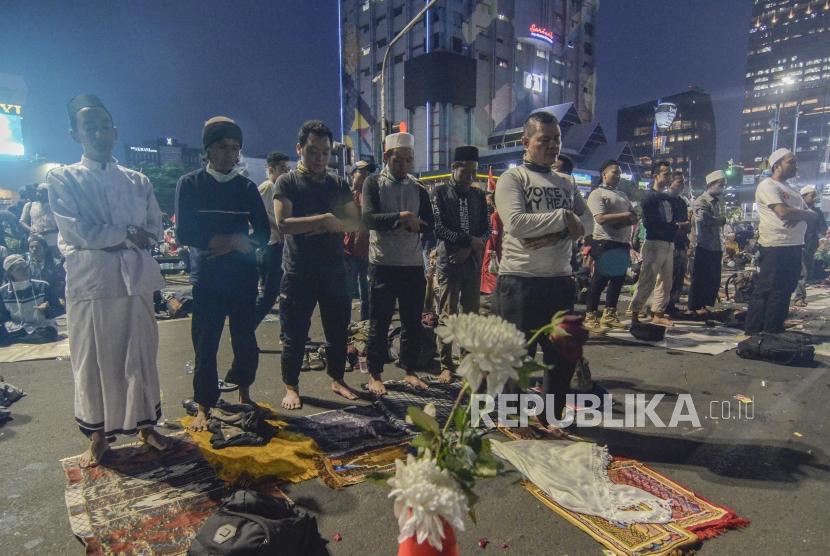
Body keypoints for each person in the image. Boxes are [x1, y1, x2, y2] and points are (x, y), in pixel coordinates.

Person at [48, 94, 168, 466]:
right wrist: (127, 233)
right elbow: (78, 231)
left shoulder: (138, 180)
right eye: (90, 127)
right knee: (94, 359)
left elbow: (154, 228)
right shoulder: (63, 178)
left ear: (115, 132)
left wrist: (125, 234)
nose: (99, 133)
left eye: (105, 126)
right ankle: (98, 435)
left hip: (135, 279)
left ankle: (147, 426)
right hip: (93, 282)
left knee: (140, 355)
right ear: (75, 134)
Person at [175, 116, 271, 430]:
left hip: (243, 278)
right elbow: (184, 232)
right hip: (208, 280)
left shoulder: (246, 187)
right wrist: (230, 241)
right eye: (222, 147)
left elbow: (263, 232)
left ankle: (244, 394)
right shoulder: (190, 184)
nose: (229, 154)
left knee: (244, 339)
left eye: (235, 148)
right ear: (208, 150)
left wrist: (232, 242)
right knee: (205, 343)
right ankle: (204, 404)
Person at [494, 111, 584, 427]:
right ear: (526, 142)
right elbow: (516, 223)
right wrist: (562, 218)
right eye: (544, 139)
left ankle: (550, 416)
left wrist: (555, 233)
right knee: (516, 357)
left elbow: (586, 223)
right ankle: (511, 419)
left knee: (563, 355)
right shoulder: (513, 179)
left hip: (560, 281)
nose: (552, 146)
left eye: (556, 139)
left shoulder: (567, 181)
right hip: (520, 281)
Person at [274, 120, 361, 409]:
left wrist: (332, 224)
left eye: (325, 153)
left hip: (335, 269)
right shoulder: (287, 182)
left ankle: (337, 378)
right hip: (299, 271)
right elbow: (284, 223)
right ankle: (291, 386)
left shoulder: (338, 183)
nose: (319, 159)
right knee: (295, 333)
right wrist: (324, 220)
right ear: (299, 149)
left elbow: (354, 221)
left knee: (338, 330)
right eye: (312, 151)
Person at [362, 132, 435, 395]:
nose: (403, 165)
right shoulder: (373, 183)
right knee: (379, 322)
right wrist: (401, 217)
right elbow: (368, 218)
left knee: (412, 322)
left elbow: (430, 224)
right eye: (397, 160)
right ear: (386, 157)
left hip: (412, 265)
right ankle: (375, 373)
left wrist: (416, 224)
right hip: (383, 263)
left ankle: (410, 371)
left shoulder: (418, 188)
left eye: (408, 160)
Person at [430, 146, 490, 382]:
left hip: (472, 262)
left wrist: (470, 248)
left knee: (471, 315)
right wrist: (467, 243)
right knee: (447, 314)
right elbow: (439, 228)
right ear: (454, 168)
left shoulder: (477, 195)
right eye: (465, 172)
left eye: (473, 172)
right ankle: (446, 364)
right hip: (449, 262)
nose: (470, 177)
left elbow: (486, 229)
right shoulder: (440, 193)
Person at [745, 148, 816, 334]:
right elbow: (783, 213)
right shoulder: (768, 186)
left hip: (794, 245)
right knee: (768, 288)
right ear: (777, 166)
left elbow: (807, 215)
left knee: (785, 289)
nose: (795, 166)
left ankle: (773, 329)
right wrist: (806, 215)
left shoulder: (792, 190)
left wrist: (802, 215)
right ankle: (754, 331)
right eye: (790, 162)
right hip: (775, 245)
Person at [584, 160, 637, 334]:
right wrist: (626, 216)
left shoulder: (622, 194)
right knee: (599, 281)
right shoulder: (597, 194)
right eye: (615, 172)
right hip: (605, 241)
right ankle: (590, 316)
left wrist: (627, 217)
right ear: (604, 174)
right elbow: (600, 218)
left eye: (620, 173)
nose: (618, 176)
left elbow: (633, 215)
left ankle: (609, 314)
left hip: (622, 242)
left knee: (617, 281)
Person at [627, 161, 677, 327]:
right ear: (655, 175)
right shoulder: (649, 196)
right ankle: (635, 313)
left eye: (670, 174)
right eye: (665, 174)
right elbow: (649, 222)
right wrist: (672, 227)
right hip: (654, 241)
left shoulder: (667, 198)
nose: (669, 177)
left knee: (666, 280)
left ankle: (658, 313)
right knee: (647, 278)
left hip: (669, 242)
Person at [254, 151, 291, 326]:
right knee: (269, 296)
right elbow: (257, 214)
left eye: (287, 168)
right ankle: (246, 330)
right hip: (270, 248)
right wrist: (280, 226)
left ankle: (287, 331)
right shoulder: (268, 187)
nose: (286, 172)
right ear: (271, 169)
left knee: (284, 292)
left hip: (277, 247)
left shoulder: (277, 187)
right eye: (282, 168)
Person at [688, 171, 726, 314]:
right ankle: (695, 306)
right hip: (703, 245)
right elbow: (706, 221)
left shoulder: (719, 202)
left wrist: (720, 220)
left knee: (713, 279)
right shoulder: (701, 201)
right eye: (720, 185)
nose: (722, 188)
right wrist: (720, 221)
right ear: (711, 185)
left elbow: (721, 219)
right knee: (700, 278)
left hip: (716, 245)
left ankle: (707, 305)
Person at [0, 254, 61, 345]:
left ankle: (18, 339)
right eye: (19, 269)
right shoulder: (3, 292)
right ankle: (22, 338)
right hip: (18, 328)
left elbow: (59, 309)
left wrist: (47, 309)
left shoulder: (43, 286)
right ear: (10, 273)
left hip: (41, 327)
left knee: (48, 333)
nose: (25, 271)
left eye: (26, 267)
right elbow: (3, 317)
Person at [657, 171, 691, 314]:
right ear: (671, 183)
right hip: (667, 242)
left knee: (679, 273)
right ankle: (661, 305)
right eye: (679, 182)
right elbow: (665, 222)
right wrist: (680, 225)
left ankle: (672, 303)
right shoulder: (664, 199)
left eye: (683, 182)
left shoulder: (682, 202)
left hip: (681, 242)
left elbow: (686, 222)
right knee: (666, 276)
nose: (682, 185)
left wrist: (685, 226)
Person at [344, 160, 372, 322]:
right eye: (362, 171)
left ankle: (365, 324)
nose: (366, 175)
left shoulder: (369, 195)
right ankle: (345, 326)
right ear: (352, 173)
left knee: (366, 292)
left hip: (366, 251)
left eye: (368, 172)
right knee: (347, 292)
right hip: (348, 252)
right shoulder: (346, 193)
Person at [792, 184, 827, 306]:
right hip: (797, 244)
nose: (814, 199)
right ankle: (799, 297)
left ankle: (796, 294)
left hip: (811, 244)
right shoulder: (797, 210)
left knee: (804, 271)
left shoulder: (817, 212)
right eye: (812, 196)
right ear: (804, 196)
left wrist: (823, 239)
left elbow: (822, 228)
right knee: (802, 272)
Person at [19, 183, 60, 259]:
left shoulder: (55, 205)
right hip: (35, 241)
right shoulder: (30, 205)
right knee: (36, 261)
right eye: (37, 191)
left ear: (48, 193)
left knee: (56, 262)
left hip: (53, 240)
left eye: (42, 192)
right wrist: (30, 229)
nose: (38, 194)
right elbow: (22, 221)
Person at [25, 234, 66, 301]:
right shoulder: (27, 266)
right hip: (36, 299)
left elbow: (61, 284)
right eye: (31, 247)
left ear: (45, 249)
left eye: (37, 247)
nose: (34, 249)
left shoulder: (56, 264)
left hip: (55, 298)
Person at [480, 191, 502, 297]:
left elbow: (491, 240)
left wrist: (488, 261)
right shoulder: (506, 216)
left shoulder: (495, 217)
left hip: (494, 258)